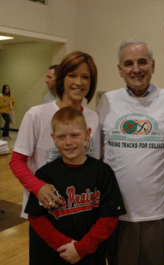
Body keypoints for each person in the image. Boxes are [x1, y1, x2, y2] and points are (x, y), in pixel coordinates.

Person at [9, 50, 100, 262]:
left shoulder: (93, 118)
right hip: (47, 218)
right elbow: (17, 161)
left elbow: (96, 164)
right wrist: (38, 187)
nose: (79, 82)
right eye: (72, 75)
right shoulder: (36, 114)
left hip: (84, 216)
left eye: (85, 77)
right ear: (61, 79)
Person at [97, 39, 164, 265]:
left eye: (142, 62)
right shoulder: (107, 101)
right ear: (120, 69)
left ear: (153, 65)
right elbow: (96, 155)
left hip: (159, 214)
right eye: (129, 63)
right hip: (116, 213)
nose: (136, 69)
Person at [25, 106, 126, 265]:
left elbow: (109, 217)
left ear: (87, 135)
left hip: (90, 255)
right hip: (56, 255)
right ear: (53, 138)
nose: (68, 142)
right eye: (61, 137)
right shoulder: (44, 175)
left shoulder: (102, 173)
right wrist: (65, 245)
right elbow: (36, 217)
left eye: (75, 135)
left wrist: (81, 248)